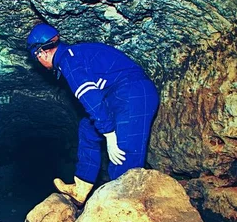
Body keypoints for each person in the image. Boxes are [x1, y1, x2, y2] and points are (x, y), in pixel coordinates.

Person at [26, 23, 159, 205]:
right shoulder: (73, 56)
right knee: (87, 128)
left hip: (133, 93)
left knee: (123, 155)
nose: (39, 63)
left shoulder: (68, 61)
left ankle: (122, 207)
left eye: (36, 58)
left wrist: (109, 133)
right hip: (116, 95)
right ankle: (81, 187)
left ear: (41, 52)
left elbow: (91, 97)